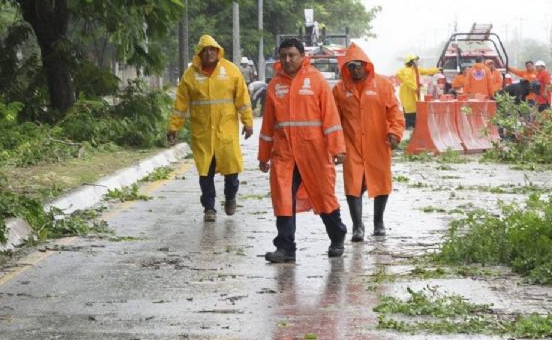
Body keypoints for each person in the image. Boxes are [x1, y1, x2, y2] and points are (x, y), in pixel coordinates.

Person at [258, 37, 347, 263]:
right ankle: (286, 247)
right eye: (283, 56)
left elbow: (331, 118)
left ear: (302, 57)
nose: (287, 60)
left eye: (292, 55)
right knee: (283, 199)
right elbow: (268, 125)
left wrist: (338, 148)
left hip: (314, 153)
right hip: (284, 154)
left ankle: (337, 235)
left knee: (324, 197)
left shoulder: (316, 81)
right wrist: (263, 155)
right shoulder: (275, 85)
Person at [168, 35, 253, 222]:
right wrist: (173, 127)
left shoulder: (231, 71)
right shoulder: (190, 75)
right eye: (205, 50)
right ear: (199, 53)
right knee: (205, 172)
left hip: (226, 132)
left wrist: (248, 122)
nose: (209, 53)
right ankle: (209, 207)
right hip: (203, 133)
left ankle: (230, 198)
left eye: (212, 49)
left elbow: (243, 99)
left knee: (231, 172)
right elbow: (180, 104)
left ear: (218, 51)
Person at [332, 43, 405, 241]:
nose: (354, 70)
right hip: (351, 144)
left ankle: (378, 222)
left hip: (378, 143)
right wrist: (335, 147)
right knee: (352, 184)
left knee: (381, 182)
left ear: (366, 66)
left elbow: (395, 112)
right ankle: (357, 226)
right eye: (350, 66)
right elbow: (333, 120)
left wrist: (395, 133)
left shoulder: (382, 85)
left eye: (357, 65)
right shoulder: (339, 90)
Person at [395, 55, 440, 129]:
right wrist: (414, 86)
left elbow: (427, 71)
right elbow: (407, 80)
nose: (417, 62)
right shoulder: (406, 70)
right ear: (411, 62)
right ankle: (410, 125)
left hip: (414, 91)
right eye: (416, 61)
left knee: (413, 107)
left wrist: (438, 70)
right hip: (408, 92)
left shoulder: (416, 70)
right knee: (410, 108)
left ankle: (412, 124)